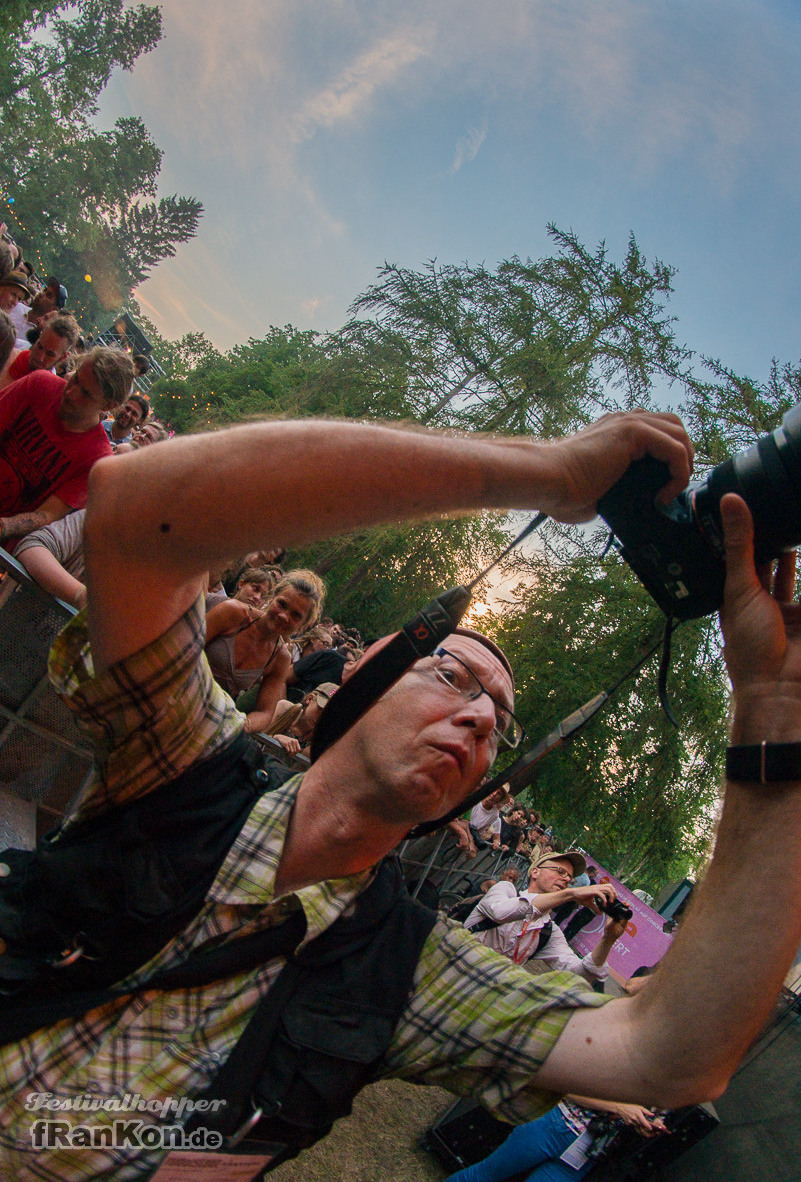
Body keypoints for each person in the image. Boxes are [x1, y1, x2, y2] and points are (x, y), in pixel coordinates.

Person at [2, 410, 801, 1182]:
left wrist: (771, 714)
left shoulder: (411, 974)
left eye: (500, 720)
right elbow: (141, 508)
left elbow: (674, 1053)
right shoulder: (185, 766)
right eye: (453, 675)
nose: (483, 715)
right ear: (363, 677)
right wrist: (549, 473)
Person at [0, 346, 133, 546]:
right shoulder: (40, 383)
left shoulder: (97, 459)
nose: (70, 393)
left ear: (108, 406)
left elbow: (47, 514)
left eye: (86, 394)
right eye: (76, 378)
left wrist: (3, 527)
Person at [465, 851, 626, 984]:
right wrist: (571, 894)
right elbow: (500, 913)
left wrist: (608, 939)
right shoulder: (505, 889)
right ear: (535, 871)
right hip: (454, 970)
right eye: (560, 872)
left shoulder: (548, 932)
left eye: (570, 879)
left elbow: (580, 974)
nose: (566, 879)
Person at [441, 1095, 667, 1182]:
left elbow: (651, 1118)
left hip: (587, 1152)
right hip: (555, 1124)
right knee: (484, 1176)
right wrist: (619, 1106)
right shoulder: (623, 1046)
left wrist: (647, 1126)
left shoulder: (674, 1086)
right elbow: (566, 1089)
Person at [204, 568, 325, 731]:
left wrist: (239, 726)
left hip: (211, 718)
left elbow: (265, 712)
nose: (283, 616)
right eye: (282, 604)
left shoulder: (280, 658)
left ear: (303, 625)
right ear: (272, 598)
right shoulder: (234, 613)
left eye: (296, 615)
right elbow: (186, 648)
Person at [0, 314, 81, 389]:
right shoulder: (9, 356)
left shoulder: (49, 391)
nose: (40, 357)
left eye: (49, 354)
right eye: (40, 347)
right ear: (40, 336)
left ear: (63, 357)